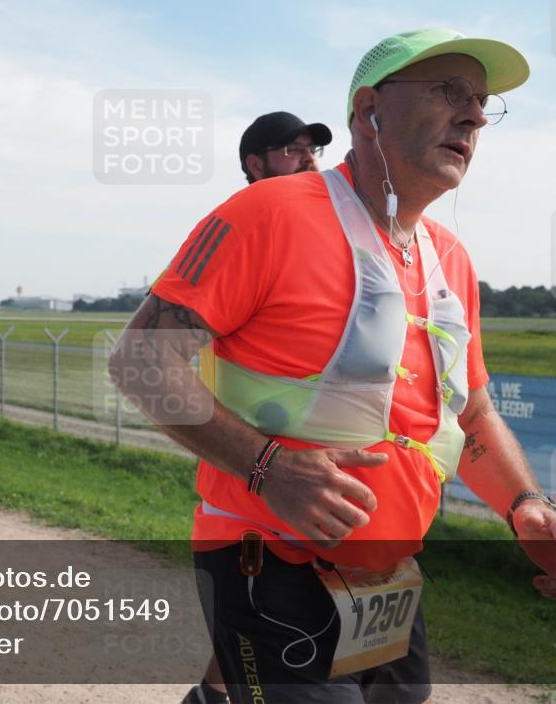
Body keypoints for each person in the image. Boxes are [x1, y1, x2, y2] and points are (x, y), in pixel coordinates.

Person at [111, 28, 556, 703]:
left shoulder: (450, 258)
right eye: (450, 91)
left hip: (387, 578)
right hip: (265, 560)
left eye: (482, 102)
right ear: (370, 111)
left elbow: (470, 413)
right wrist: (268, 467)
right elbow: (140, 360)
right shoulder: (269, 213)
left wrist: (524, 507)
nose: (475, 115)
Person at [185, 110, 333, 704]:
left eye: (314, 150)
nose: (310, 159)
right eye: (293, 149)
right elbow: (146, 362)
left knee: (245, 661)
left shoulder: (328, 238)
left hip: (340, 516)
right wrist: (265, 464)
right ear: (255, 164)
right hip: (254, 509)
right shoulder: (242, 227)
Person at [238, 111, 333, 183]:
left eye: (312, 149)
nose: (310, 158)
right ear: (256, 166)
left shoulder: (338, 207)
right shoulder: (241, 209)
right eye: (294, 149)